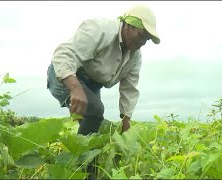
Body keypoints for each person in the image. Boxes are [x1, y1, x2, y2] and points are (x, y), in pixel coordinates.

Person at [47, 4, 160, 178]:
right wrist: (75, 87)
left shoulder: (135, 56)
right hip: (65, 74)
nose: (143, 42)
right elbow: (63, 53)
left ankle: (82, 166)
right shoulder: (101, 30)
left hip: (92, 85)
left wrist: (126, 117)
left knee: (93, 128)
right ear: (128, 26)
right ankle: (83, 171)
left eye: (147, 39)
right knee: (95, 110)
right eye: (142, 35)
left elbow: (129, 87)